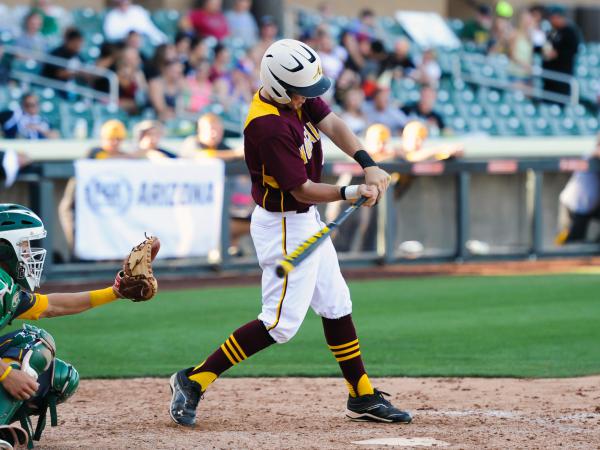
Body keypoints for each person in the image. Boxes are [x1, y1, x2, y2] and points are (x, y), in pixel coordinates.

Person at [169, 38, 411, 427]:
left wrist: (367, 163)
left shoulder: (294, 92)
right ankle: (193, 379)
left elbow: (331, 122)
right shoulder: (267, 125)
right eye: (302, 94)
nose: (307, 99)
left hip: (303, 220)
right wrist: (349, 191)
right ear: (281, 88)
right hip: (282, 225)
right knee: (279, 324)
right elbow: (301, 190)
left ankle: (362, 394)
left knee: (336, 304)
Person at [0, 204, 155, 448]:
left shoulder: (6, 286)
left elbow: (52, 305)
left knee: (57, 379)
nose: (31, 253)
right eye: (25, 246)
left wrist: (114, 292)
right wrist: (6, 374)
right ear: (5, 247)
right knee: (32, 343)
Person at [181, 113, 249, 256]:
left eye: (217, 129)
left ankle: (230, 249)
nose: (214, 133)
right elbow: (203, 156)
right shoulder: (191, 143)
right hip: (190, 208)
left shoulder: (223, 147)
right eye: (210, 129)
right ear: (200, 130)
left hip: (221, 206)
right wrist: (236, 153)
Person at [59, 120, 130, 252]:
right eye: (111, 139)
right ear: (103, 138)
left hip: (101, 207)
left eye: (118, 139)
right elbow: (104, 159)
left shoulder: (123, 155)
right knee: (78, 243)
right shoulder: (94, 152)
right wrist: (131, 156)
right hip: (76, 206)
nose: (114, 143)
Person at [556, 134, 600, 244]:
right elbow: (597, 152)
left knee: (578, 242)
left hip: (589, 207)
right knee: (570, 241)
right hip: (573, 206)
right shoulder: (591, 155)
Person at [542, 5, 580, 100]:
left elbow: (573, 50)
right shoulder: (551, 31)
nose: (552, 20)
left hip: (562, 76)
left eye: (554, 17)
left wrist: (557, 54)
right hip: (549, 77)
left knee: (560, 100)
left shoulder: (570, 32)